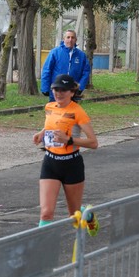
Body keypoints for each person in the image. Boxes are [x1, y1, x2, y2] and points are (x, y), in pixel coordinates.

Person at [32, 74, 99, 234]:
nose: (58, 93)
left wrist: (68, 140)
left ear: (71, 92)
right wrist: (42, 133)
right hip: (50, 163)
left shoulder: (78, 112)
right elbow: (53, 124)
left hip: (71, 165)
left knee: (74, 215)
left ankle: (86, 213)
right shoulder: (49, 107)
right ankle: (43, 249)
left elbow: (93, 143)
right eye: (56, 89)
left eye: (63, 90)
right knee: (46, 212)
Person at [41, 30, 91, 102]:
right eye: (68, 37)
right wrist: (45, 88)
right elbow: (47, 70)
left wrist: (80, 87)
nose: (70, 40)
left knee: (71, 113)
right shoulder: (55, 52)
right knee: (56, 113)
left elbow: (86, 72)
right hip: (57, 92)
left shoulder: (81, 55)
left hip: (73, 93)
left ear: (75, 40)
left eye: (72, 37)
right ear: (64, 39)